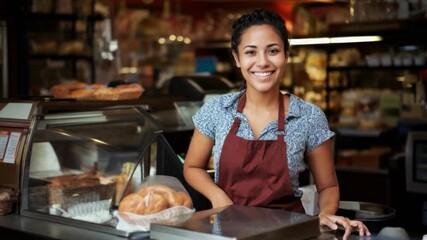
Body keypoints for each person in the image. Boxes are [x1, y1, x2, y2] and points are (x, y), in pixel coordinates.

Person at [183, 8, 371, 239]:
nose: (262, 62)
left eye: (273, 51)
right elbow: (192, 167)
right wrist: (218, 197)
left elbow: (328, 186)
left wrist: (325, 213)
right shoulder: (217, 110)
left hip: (288, 234)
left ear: (286, 55)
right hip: (227, 231)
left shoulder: (308, 117)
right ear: (236, 58)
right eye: (250, 52)